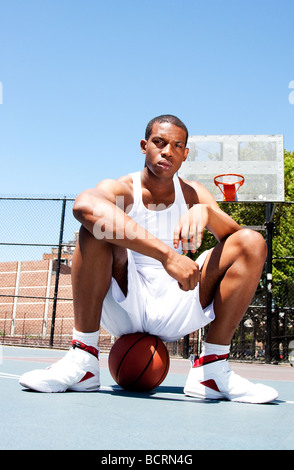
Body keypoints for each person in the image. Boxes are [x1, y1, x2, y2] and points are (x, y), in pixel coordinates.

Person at [19, 114, 278, 403]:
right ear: (144, 146)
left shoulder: (193, 193)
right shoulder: (124, 189)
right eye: (160, 142)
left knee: (253, 242)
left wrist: (207, 213)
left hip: (179, 301)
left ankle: (212, 369)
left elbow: (240, 243)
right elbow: (84, 205)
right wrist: (167, 255)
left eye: (178, 146)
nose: (168, 151)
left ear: (185, 154)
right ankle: (83, 360)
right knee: (95, 228)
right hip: (125, 300)